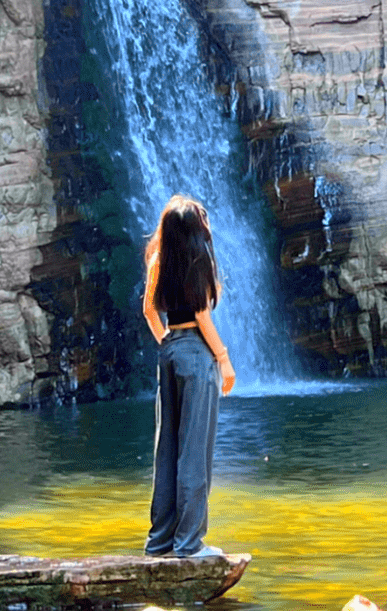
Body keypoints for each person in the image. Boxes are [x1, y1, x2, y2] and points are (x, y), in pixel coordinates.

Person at [142, 194, 236, 559]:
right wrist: (223, 359)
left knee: (167, 450)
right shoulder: (197, 259)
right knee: (195, 451)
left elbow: (150, 310)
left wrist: (167, 343)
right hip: (197, 354)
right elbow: (202, 316)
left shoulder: (158, 260)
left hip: (169, 351)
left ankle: (160, 543)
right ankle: (189, 544)